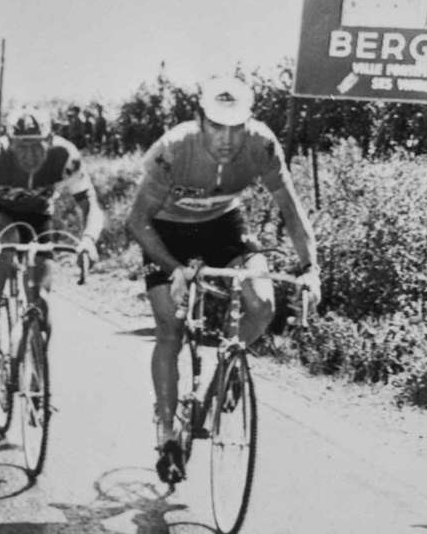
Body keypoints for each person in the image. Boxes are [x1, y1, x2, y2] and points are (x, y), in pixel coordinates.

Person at [125, 75, 322, 484]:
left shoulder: (262, 144)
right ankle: (167, 435)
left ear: (248, 123)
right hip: (167, 231)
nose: (228, 139)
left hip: (223, 225)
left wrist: (310, 269)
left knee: (263, 304)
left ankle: (221, 379)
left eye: (237, 126)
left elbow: (290, 207)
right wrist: (174, 268)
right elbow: (136, 220)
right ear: (200, 122)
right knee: (170, 328)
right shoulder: (173, 148)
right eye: (217, 126)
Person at [0, 107, 105, 359]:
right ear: (9, 144)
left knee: (40, 298)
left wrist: (89, 240)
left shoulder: (64, 155)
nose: (29, 155)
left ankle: (36, 364)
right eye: (21, 147)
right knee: (7, 243)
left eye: (36, 146)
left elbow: (91, 206)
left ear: (49, 142)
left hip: (39, 214)